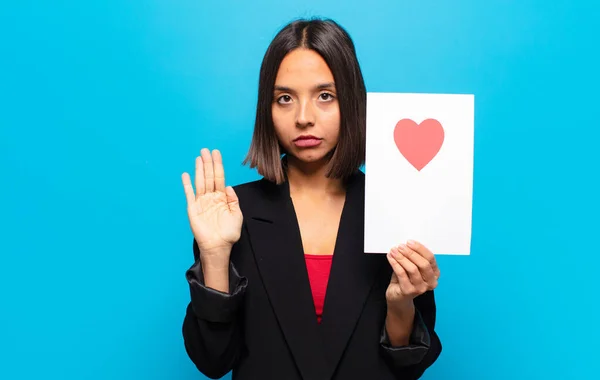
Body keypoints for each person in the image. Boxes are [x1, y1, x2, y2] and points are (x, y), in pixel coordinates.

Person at [180, 17, 442, 380]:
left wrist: (400, 306)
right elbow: (213, 360)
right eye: (285, 98)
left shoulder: (395, 207)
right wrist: (213, 255)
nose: (304, 118)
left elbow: (407, 366)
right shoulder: (230, 215)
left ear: (351, 101)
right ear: (267, 110)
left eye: (325, 96)